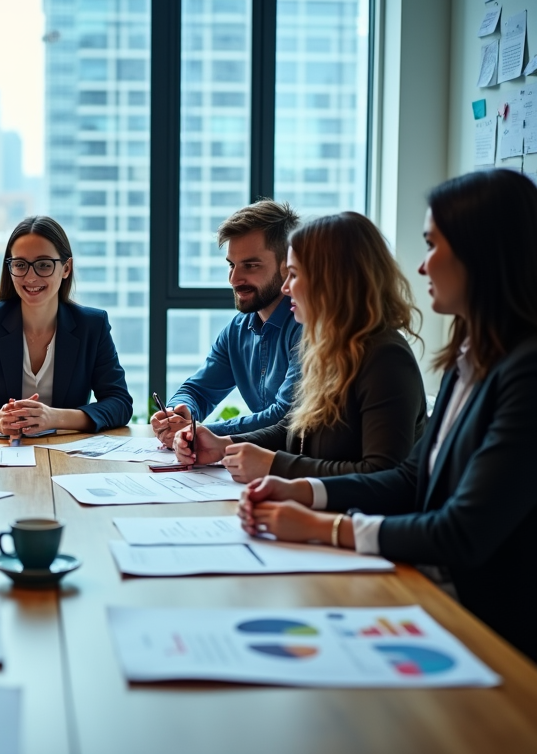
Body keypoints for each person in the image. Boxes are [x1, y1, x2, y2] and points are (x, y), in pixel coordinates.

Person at [238, 169, 537, 661]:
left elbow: (461, 532)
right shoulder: (471, 359)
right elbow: (411, 478)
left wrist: (323, 527)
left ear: (481, 254)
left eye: (432, 245)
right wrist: (304, 490)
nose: (422, 267)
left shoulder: (525, 374)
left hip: (487, 630)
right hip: (433, 594)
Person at [174, 212, 427, 483]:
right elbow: (293, 429)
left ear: (332, 280)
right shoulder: (327, 348)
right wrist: (223, 445)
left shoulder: (386, 357)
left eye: (293, 275)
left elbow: (384, 474)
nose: (285, 288)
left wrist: (274, 465)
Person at [0, 215, 132, 435]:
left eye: (43, 265)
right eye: (20, 265)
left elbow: (119, 403)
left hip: (67, 455)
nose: (30, 277)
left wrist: (54, 417)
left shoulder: (92, 325)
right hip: (1, 454)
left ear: (66, 268)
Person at [151, 200, 303, 447]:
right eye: (232, 265)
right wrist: (179, 413)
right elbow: (198, 390)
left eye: (251, 265)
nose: (234, 279)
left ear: (287, 266)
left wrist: (199, 433)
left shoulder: (305, 327)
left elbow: (284, 417)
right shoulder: (238, 330)